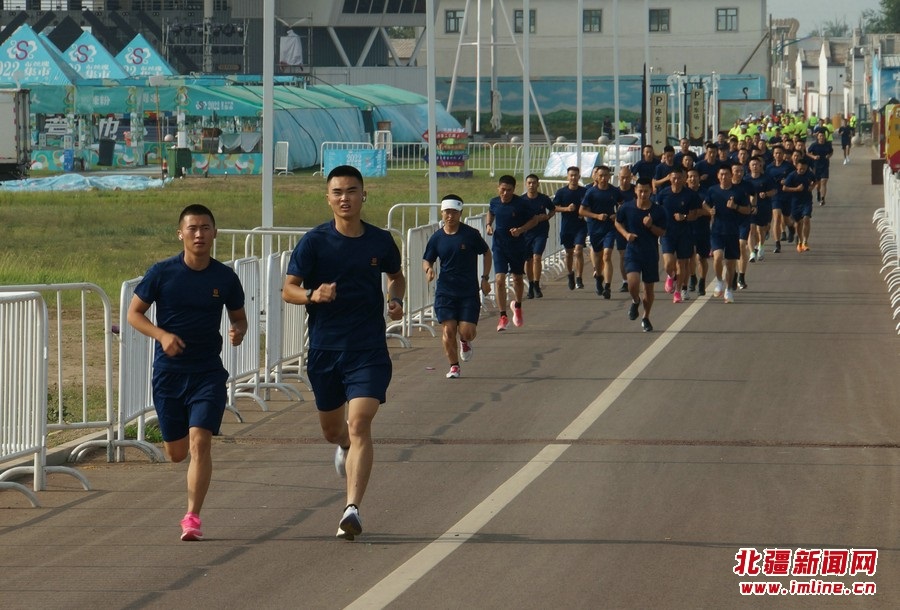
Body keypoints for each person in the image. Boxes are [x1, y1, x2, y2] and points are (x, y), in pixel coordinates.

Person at [282, 164, 406, 541]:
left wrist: (396, 299)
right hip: (325, 350)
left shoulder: (380, 240)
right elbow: (288, 289)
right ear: (328, 198)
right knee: (334, 430)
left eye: (351, 191)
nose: (345, 198)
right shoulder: (314, 242)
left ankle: (351, 508)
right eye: (337, 192)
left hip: (368, 349)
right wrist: (312, 294)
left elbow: (396, 276)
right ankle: (344, 447)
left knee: (360, 422)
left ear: (363, 195)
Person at [127, 204, 248, 542]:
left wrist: (239, 331)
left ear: (215, 233)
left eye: (205, 228)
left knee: (200, 442)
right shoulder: (162, 272)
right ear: (180, 233)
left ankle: (192, 517)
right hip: (169, 374)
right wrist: (161, 335)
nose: (199, 234)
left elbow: (239, 317)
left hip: (207, 372)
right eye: (192, 228)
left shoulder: (225, 278)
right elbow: (134, 314)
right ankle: (180, 466)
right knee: (177, 453)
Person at [423, 195, 492, 379]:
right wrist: (428, 269)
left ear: (460, 213)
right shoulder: (437, 238)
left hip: (468, 291)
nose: (450, 216)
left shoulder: (470, 235)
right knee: (448, 329)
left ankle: (465, 341)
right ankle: (454, 366)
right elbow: (427, 259)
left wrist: (485, 278)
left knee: (467, 332)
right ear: (442, 212)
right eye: (447, 212)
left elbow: (487, 253)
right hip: (445, 291)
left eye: (454, 212)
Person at [487, 174, 538, 330]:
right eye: (503, 189)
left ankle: (518, 306)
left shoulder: (521, 204)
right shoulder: (494, 202)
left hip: (517, 246)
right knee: (499, 279)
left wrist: (521, 229)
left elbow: (534, 220)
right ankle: (503, 317)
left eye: (509, 190)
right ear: (498, 188)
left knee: (517, 278)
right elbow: (491, 212)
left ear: (514, 189)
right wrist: (489, 224)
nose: (505, 193)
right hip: (499, 246)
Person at [615, 177, 667, 331]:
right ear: (635, 191)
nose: (643, 194)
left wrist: (650, 226)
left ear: (651, 191)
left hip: (650, 253)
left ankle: (646, 317)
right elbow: (618, 222)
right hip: (633, 251)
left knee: (648, 290)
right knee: (633, 282)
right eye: (640, 191)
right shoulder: (627, 207)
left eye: (646, 191)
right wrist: (626, 235)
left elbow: (662, 232)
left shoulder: (658, 210)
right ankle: (635, 300)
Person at [705, 163, 751, 303]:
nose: (724, 177)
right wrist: (709, 210)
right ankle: (719, 281)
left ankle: (729, 289)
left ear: (731, 176)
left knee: (730, 264)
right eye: (721, 174)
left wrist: (735, 206)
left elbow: (747, 210)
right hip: (717, 231)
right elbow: (704, 204)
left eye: (726, 174)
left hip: (733, 231)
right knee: (718, 257)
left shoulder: (738, 192)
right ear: (718, 176)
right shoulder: (712, 190)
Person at [657, 166, 700, 302]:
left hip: (684, 233)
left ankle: (677, 292)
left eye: (679, 178)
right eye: (674, 178)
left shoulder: (690, 195)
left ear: (683, 179)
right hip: (667, 233)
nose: (676, 181)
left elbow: (695, 214)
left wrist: (684, 217)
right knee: (669, 263)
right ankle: (671, 276)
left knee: (682, 263)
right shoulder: (663, 194)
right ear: (670, 178)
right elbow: (657, 211)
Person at [580, 164, 623, 298]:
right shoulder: (591, 192)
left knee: (607, 255)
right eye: (601, 176)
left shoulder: (614, 191)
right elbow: (581, 211)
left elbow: (622, 205)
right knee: (598, 257)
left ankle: (608, 287)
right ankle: (599, 278)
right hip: (595, 228)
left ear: (609, 177)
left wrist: (617, 215)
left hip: (609, 228)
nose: (603, 178)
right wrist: (596, 216)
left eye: (606, 176)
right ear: (596, 177)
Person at [553, 166, 588, 290]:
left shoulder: (584, 192)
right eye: (571, 175)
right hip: (567, 226)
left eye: (575, 175)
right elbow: (554, 207)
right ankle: (570, 274)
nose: (573, 178)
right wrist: (566, 209)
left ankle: (579, 277)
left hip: (580, 225)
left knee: (578, 250)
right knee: (569, 253)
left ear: (579, 177)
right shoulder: (561, 192)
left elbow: (590, 205)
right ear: (567, 177)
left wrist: (584, 212)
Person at [521, 174, 555, 299]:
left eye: (534, 183)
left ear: (538, 184)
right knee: (528, 260)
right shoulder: (521, 200)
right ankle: (530, 284)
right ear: (526, 184)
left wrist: (547, 217)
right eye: (529, 183)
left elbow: (553, 209)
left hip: (541, 232)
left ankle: (536, 284)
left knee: (537, 257)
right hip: (526, 233)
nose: (531, 185)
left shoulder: (543, 199)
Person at [783, 155, 817, 252]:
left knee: (806, 218)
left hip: (807, 201)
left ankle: (805, 242)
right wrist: (796, 189)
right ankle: (800, 241)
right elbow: (784, 188)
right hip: (795, 202)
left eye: (804, 169)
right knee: (798, 223)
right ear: (797, 166)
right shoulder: (792, 175)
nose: (802, 170)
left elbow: (815, 181)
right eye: (800, 168)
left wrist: (812, 187)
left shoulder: (809, 174)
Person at [746, 157, 777, 263]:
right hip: (750, 208)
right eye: (753, 164)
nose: (755, 166)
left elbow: (774, 191)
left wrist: (766, 194)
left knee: (761, 229)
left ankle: (761, 246)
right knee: (751, 229)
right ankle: (752, 253)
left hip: (764, 207)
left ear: (760, 166)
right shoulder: (746, 179)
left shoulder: (766, 178)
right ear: (749, 166)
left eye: (757, 164)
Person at [766, 144, 795, 252]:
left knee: (786, 218)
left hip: (786, 195)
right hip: (775, 195)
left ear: (783, 154)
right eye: (776, 153)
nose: (778, 155)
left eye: (780, 153)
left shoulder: (789, 167)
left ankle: (791, 228)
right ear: (773, 155)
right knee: (777, 217)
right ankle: (777, 243)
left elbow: (794, 179)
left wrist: (787, 182)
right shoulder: (769, 168)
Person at [807, 130, 833, 206]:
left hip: (825, 166)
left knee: (823, 182)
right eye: (820, 136)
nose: (822, 137)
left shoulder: (828, 144)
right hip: (816, 166)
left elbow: (831, 152)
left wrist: (829, 156)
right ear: (818, 137)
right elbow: (807, 153)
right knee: (817, 184)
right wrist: (814, 157)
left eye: (823, 136)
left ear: (825, 137)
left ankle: (822, 198)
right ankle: (818, 192)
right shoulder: (814, 145)